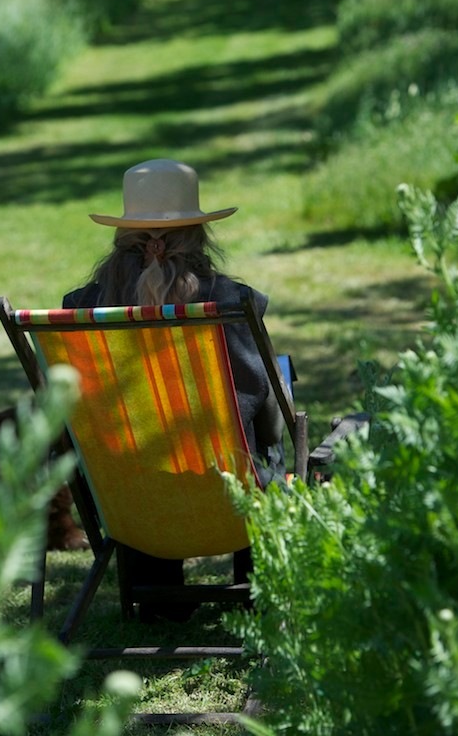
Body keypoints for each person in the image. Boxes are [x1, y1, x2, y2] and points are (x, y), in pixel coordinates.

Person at [63, 158, 284, 621]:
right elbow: (255, 401)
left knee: (141, 444)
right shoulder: (230, 303)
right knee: (267, 425)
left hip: (130, 503)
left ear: (122, 236)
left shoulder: (80, 310)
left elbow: (69, 411)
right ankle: (254, 587)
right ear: (199, 235)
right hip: (227, 496)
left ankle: (157, 596)